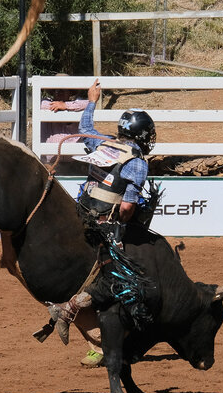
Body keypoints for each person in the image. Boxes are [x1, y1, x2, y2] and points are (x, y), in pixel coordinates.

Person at [47, 79, 159, 366]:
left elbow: (84, 130)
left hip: (80, 214)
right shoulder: (137, 162)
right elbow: (126, 207)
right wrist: (125, 228)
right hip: (106, 225)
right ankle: (78, 315)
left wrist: (91, 100)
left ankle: (95, 336)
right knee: (125, 278)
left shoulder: (103, 143)